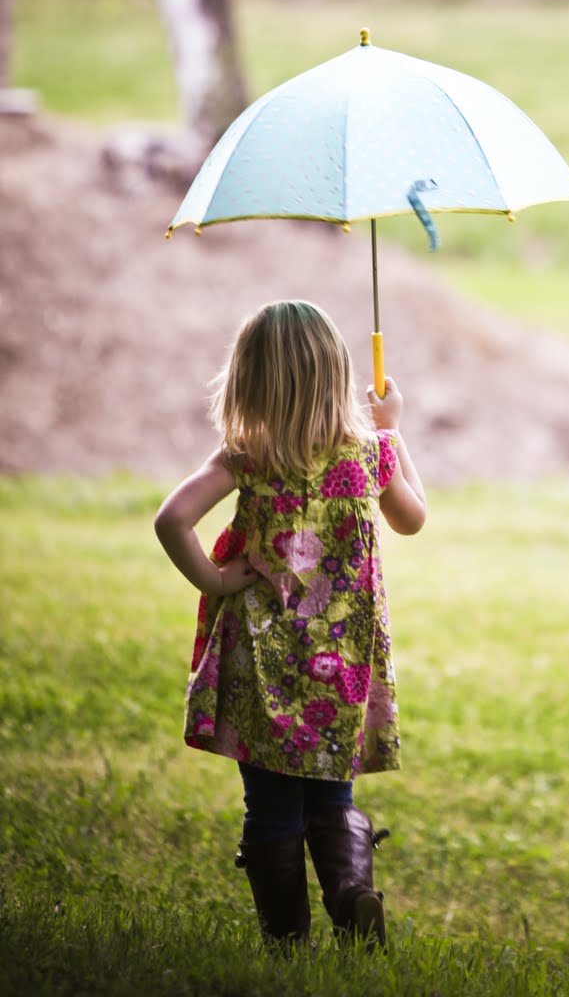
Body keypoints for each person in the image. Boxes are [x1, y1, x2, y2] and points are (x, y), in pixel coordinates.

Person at [154, 300, 427, 949]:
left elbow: (172, 519)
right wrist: (392, 431)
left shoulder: (247, 456)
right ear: (336, 374)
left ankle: (286, 940)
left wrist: (217, 580)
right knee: (332, 798)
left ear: (248, 378)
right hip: (342, 665)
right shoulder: (368, 455)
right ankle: (351, 895)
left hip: (264, 663)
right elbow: (412, 519)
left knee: (271, 806)